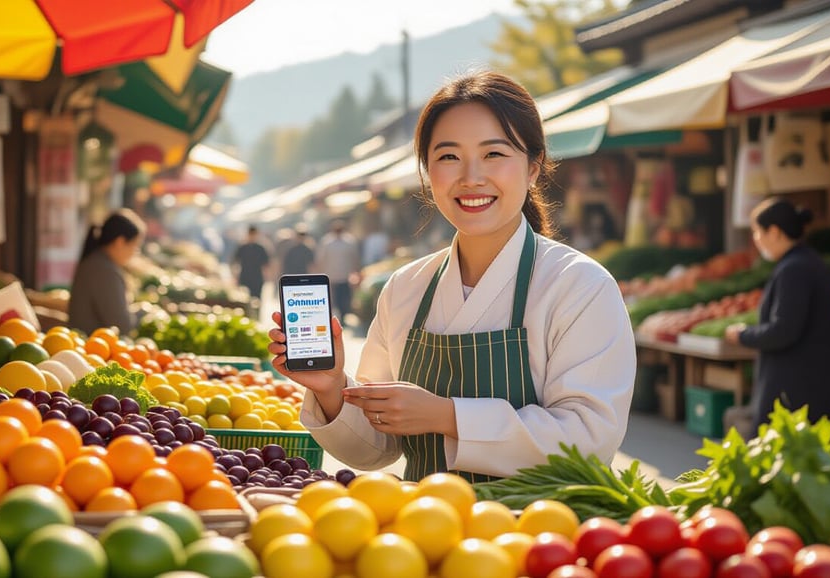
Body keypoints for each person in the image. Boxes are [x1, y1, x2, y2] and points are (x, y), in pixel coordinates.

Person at [267, 71, 636, 482]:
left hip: (536, 537)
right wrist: (332, 388)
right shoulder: (406, 287)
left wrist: (447, 416)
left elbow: (589, 441)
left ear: (533, 168)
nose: (471, 177)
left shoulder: (579, 286)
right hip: (424, 534)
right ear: (428, 173)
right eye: (448, 157)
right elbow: (374, 448)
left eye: (494, 154)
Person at [724, 198, 830, 442]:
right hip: (813, 387)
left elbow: (784, 330)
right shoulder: (806, 262)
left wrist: (743, 334)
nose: (756, 239)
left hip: (800, 393)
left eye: (757, 232)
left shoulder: (794, 269)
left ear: (774, 232)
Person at [68, 208, 145, 335]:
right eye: (135, 246)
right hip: (94, 347)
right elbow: (122, 326)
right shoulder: (104, 270)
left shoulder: (97, 262)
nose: (135, 252)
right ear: (120, 242)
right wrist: (143, 312)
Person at [316, 220, 361, 325]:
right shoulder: (348, 241)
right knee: (342, 298)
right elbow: (355, 258)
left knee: (337, 298)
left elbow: (320, 259)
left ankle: (338, 317)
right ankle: (339, 317)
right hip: (340, 275)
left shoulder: (327, 242)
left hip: (333, 275)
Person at [232, 225, 270, 301]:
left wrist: (266, 277)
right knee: (244, 299)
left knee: (256, 300)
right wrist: (235, 276)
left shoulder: (260, 248)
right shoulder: (243, 247)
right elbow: (235, 262)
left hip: (257, 278)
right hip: (245, 277)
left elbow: (266, 264)